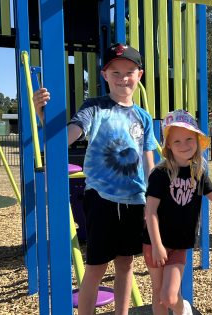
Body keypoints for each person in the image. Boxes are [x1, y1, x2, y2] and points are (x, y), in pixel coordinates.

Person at [33, 43, 156, 315]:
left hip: (135, 199)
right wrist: (44, 118)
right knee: (96, 267)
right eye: (116, 72)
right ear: (104, 75)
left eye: (129, 72)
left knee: (126, 263)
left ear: (140, 75)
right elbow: (71, 134)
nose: (123, 78)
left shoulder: (144, 118)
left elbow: (148, 161)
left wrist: (152, 199)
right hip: (101, 199)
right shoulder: (95, 108)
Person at [142, 109, 212, 315]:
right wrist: (157, 246)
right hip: (154, 243)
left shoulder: (197, 173)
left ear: (197, 141)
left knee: (170, 296)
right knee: (158, 294)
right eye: (177, 141)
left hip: (179, 243)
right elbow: (151, 211)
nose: (184, 145)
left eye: (189, 139)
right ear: (168, 146)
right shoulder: (160, 173)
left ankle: (183, 309)